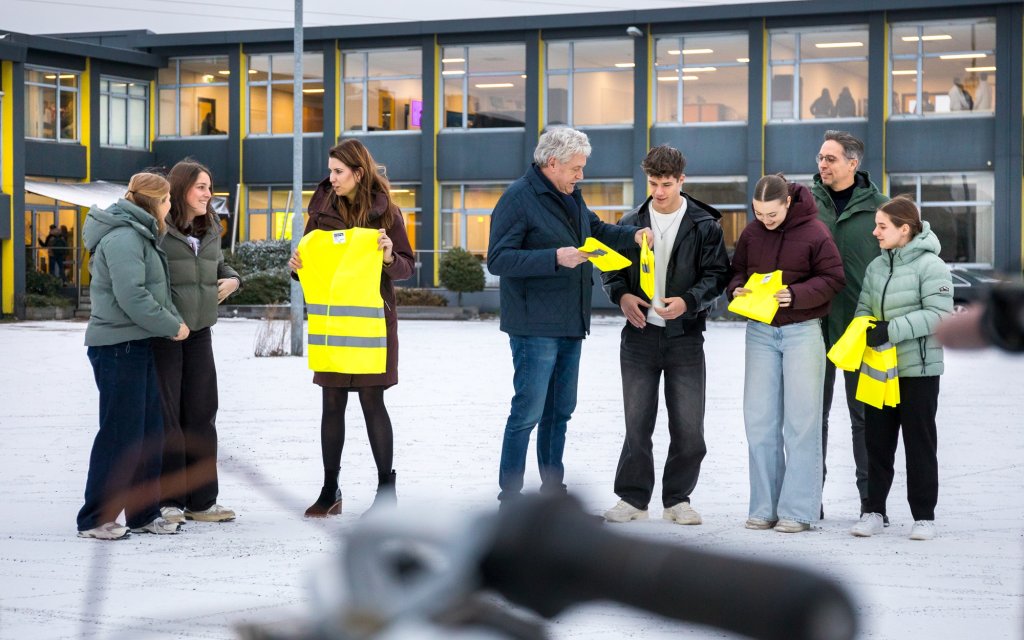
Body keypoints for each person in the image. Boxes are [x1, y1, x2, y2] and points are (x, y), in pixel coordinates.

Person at [487, 126, 650, 506]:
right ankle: (510, 500)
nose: (581, 176)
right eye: (576, 168)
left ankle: (551, 497)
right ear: (552, 163)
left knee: (559, 413)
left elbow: (595, 231)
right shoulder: (517, 199)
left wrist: (635, 236)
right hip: (533, 327)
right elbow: (498, 259)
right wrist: (554, 258)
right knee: (527, 413)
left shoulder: (571, 196)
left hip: (570, 323)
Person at [600, 145, 730, 525]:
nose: (659, 191)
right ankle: (632, 499)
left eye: (667, 184)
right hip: (638, 337)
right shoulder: (629, 221)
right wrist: (621, 295)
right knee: (636, 423)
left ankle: (678, 500)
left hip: (685, 336)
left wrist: (688, 302)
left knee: (689, 427)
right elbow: (611, 270)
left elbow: (717, 275)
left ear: (682, 180)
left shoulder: (705, 224)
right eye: (654, 183)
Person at [288, 139, 415, 517]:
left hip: (372, 324)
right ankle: (330, 490)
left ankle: (386, 492)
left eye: (338, 172)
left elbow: (407, 267)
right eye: (330, 171)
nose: (332, 178)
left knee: (373, 401)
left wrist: (390, 256)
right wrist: (297, 265)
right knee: (331, 404)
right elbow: (310, 263)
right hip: (331, 323)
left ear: (359, 173)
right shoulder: (321, 210)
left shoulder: (386, 213)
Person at [728, 174, 845, 533]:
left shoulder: (816, 232)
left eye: (772, 214)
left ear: (788, 203)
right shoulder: (751, 234)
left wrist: (796, 295)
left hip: (802, 332)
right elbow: (736, 274)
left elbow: (833, 278)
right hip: (760, 333)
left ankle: (798, 510)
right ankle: (764, 507)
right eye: (759, 213)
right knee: (759, 421)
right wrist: (736, 291)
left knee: (802, 423)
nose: (765, 220)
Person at [78, 172, 190, 540]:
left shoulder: (140, 233)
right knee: (121, 435)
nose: (171, 205)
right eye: (168, 199)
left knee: (149, 433)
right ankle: (95, 518)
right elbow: (133, 296)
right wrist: (172, 325)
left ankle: (143, 514)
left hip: (136, 343)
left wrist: (167, 321)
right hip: (117, 347)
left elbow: (149, 294)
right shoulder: (125, 237)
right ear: (154, 201)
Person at [849, 196, 953, 540]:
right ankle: (874, 511)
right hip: (880, 368)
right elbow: (864, 305)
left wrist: (889, 331)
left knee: (919, 444)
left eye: (882, 226)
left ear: (903, 229)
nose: (875, 231)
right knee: (877, 444)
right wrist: (864, 327)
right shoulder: (876, 267)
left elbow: (939, 315)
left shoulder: (931, 266)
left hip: (918, 371)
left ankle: (924, 516)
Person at [152, 160, 241, 525]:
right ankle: (169, 500)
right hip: (167, 334)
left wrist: (234, 278)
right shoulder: (159, 228)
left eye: (210, 187)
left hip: (201, 331)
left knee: (203, 415)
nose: (208, 194)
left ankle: (202, 501)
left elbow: (215, 266)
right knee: (169, 418)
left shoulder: (210, 228)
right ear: (181, 189)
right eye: (201, 187)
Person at [811, 130, 888, 518]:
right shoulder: (803, 205)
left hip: (863, 328)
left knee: (865, 420)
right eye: (821, 158)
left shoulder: (881, 207)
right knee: (812, 419)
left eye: (830, 158)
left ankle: (871, 504)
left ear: (852, 164)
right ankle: (809, 501)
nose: (822, 164)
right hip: (814, 326)